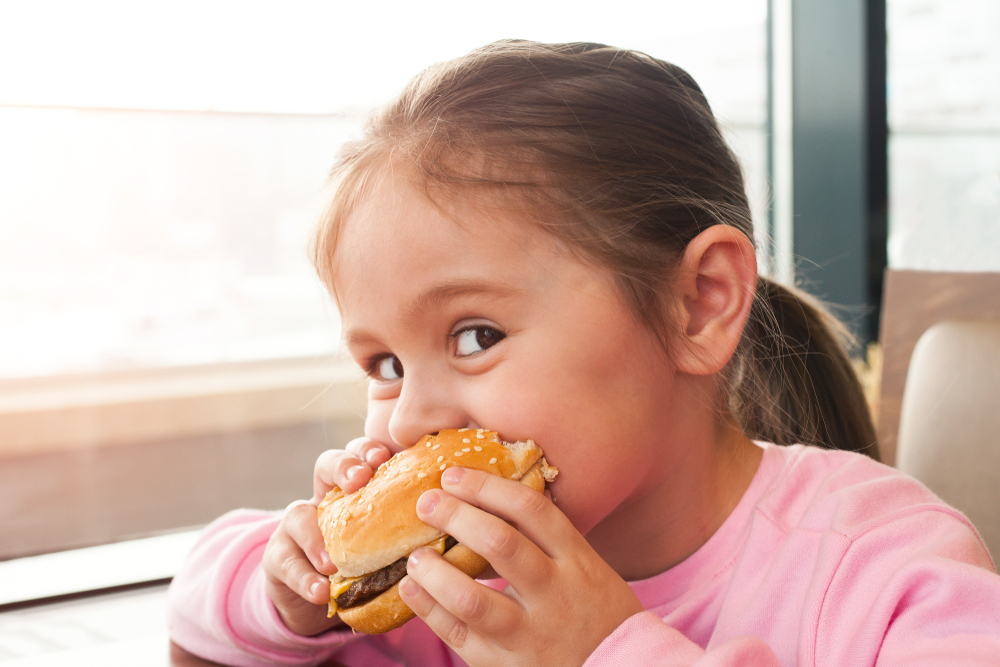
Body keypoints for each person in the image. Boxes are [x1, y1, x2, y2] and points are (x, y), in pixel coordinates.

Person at [167, 41, 1000, 666]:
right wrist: (293, 593)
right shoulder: (434, 593)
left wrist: (610, 650)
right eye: (384, 365)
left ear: (698, 304)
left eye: (474, 336)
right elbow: (194, 623)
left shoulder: (876, 566)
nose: (412, 416)